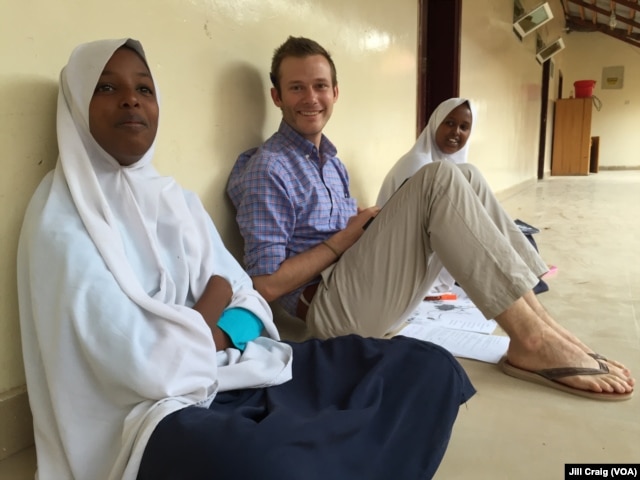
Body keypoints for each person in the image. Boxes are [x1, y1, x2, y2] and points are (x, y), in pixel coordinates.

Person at [17, 38, 476, 480]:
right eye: (107, 87)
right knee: (264, 465)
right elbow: (148, 367)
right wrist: (213, 318)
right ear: (76, 106)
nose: (131, 101)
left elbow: (246, 299)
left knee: (428, 366)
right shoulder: (62, 222)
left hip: (244, 365)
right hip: (157, 412)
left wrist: (219, 326)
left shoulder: (176, 201)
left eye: (144, 88)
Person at [227, 36, 634, 401]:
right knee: (439, 176)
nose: (310, 98)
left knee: (464, 174)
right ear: (277, 96)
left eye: (319, 86)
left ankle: (546, 326)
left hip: (358, 286)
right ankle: (531, 338)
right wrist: (345, 238)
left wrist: (369, 229)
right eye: (296, 87)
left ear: (335, 92)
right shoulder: (270, 168)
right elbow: (264, 284)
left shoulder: (332, 162)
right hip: (331, 311)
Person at [377, 97, 476, 296]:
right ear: (435, 124)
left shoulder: (451, 165)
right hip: (398, 259)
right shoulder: (419, 163)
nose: (456, 132)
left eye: (464, 127)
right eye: (449, 123)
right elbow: (413, 230)